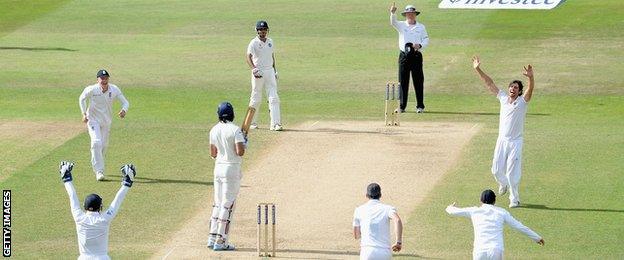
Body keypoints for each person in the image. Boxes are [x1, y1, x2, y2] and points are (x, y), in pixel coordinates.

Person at [472, 56, 535, 208]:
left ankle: (514, 199)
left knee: (512, 173)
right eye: (511, 87)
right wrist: (478, 69)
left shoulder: (522, 102)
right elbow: (489, 83)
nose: (512, 89)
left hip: (515, 142)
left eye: (515, 88)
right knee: (495, 170)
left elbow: (530, 90)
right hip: (502, 140)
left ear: (519, 92)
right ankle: (503, 183)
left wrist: (531, 78)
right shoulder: (503, 98)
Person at [59, 161, 136, 260]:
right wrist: (126, 183)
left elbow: (72, 196)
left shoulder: (79, 218)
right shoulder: (104, 219)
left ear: (84, 206)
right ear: (100, 207)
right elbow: (116, 202)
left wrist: (66, 179)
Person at [445, 190, 545, 260]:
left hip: (479, 251)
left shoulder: (474, 211)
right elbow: (519, 226)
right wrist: (537, 238)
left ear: (481, 200)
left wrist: (450, 207)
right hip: (496, 250)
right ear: (494, 201)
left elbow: (452, 211)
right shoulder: (502, 212)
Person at [207, 102, 247, 251]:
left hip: (218, 169)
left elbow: (213, 153)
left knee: (218, 203)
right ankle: (221, 240)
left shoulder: (213, 130)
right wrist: (245, 143)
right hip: (231, 169)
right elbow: (240, 152)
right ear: (232, 114)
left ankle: (212, 237)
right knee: (227, 204)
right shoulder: (236, 130)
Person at [79, 69, 130, 181]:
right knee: (96, 142)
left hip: (106, 122)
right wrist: (83, 113)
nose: (104, 80)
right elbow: (81, 99)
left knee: (103, 146)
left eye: (106, 78)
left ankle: (96, 161)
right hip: (93, 120)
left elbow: (125, 102)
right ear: (97, 79)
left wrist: (124, 110)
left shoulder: (114, 89)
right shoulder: (92, 89)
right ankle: (99, 171)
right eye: (102, 78)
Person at [390, 2, 429, 113]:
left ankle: (420, 106)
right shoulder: (402, 25)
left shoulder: (421, 27)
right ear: (406, 15)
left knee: (418, 81)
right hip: (404, 56)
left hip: (416, 55)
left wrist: (420, 45)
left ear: (415, 14)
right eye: (408, 13)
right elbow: (393, 22)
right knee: (403, 81)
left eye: (412, 13)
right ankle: (402, 106)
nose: (410, 15)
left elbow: (426, 39)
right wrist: (392, 13)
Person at [246, 20, 283, 131]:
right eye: (260, 29)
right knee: (255, 97)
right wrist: (254, 69)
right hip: (259, 73)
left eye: (264, 29)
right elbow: (248, 57)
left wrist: (275, 70)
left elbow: (272, 57)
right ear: (257, 31)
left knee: (274, 98)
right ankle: (251, 122)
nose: (262, 31)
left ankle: (275, 124)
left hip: (270, 72)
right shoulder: (253, 42)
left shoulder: (270, 41)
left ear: (267, 30)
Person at [353, 183, 403, 260]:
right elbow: (397, 220)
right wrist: (398, 242)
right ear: (380, 195)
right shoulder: (388, 208)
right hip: (384, 253)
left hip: (367, 252)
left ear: (367, 195)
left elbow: (356, 235)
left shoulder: (359, 210)